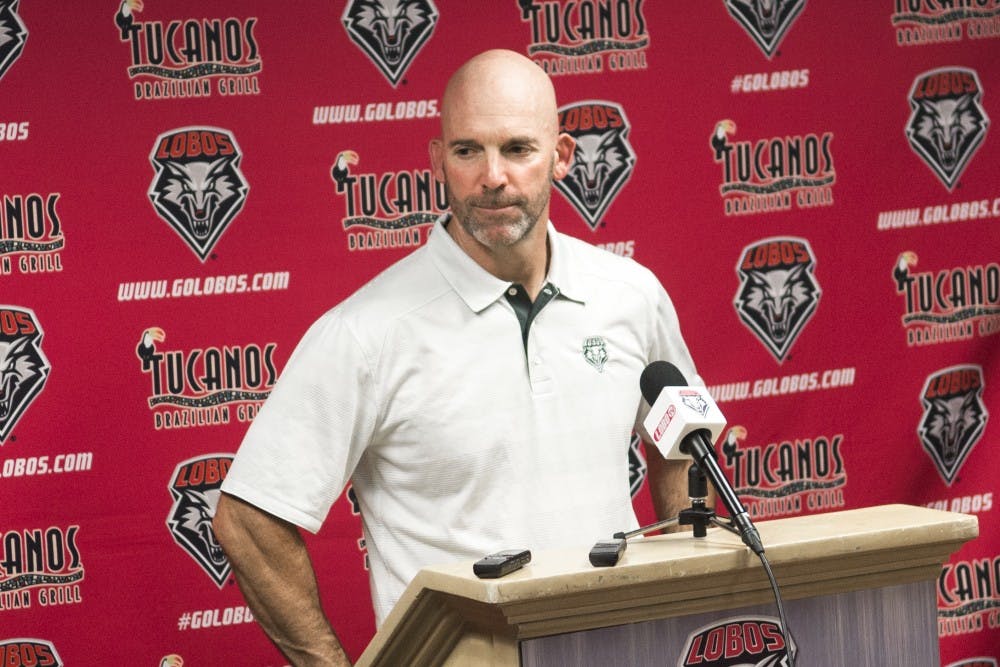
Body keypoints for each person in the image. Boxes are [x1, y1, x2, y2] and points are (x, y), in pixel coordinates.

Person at [213, 48, 702, 666]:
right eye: (468, 150)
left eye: (518, 149)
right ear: (438, 159)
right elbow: (248, 519)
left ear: (563, 156)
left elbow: (681, 441)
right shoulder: (367, 332)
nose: (492, 177)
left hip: (623, 651)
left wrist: (691, 597)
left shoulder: (631, 295)